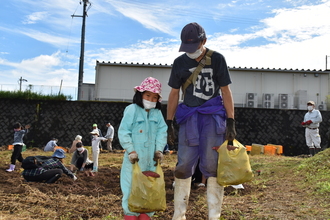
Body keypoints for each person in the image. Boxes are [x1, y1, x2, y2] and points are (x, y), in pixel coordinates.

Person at [166, 22, 236, 220]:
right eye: (186, 47)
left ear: (204, 41)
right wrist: (169, 122)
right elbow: (173, 93)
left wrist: (231, 121)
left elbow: (226, 91)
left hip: (213, 118)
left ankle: (214, 215)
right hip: (189, 118)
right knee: (184, 163)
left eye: (194, 46)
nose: (190, 52)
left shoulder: (217, 59)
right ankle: (178, 216)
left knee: (212, 165)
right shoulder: (179, 63)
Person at [118, 77, 167, 220]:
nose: (151, 99)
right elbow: (124, 131)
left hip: (151, 161)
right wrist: (131, 150)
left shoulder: (157, 114)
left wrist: (159, 150)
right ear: (140, 94)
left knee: (149, 191)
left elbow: (162, 132)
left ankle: (146, 215)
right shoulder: (132, 110)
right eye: (148, 95)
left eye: (154, 97)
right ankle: (131, 215)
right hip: (134, 160)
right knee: (130, 190)